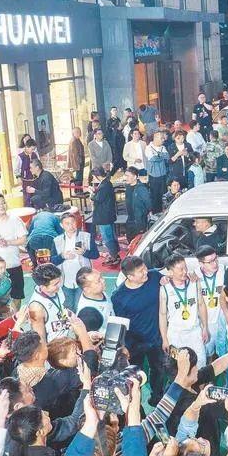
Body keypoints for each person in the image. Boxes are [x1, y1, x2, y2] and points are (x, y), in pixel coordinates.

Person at [111, 256, 169, 402]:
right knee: (135, 375)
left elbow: (171, 278)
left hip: (156, 338)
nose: (145, 272)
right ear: (130, 276)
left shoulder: (154, 276)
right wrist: (123, 347)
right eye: (141, 271)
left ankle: (157, 398)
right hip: (134, 343)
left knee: (159, 369)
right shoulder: (119, 297)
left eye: (145, 268)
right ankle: (135, 403)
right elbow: (121, 324)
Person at [90, 166, 119, 265]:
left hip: (103, 216)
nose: (93, 179)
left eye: (93, 176)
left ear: (97, 176)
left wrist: (92, 194)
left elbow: (98, 199)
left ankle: (113, 256)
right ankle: (115, 254)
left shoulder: (104, 186)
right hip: (108, 215)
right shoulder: (106, 183)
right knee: (111, 236)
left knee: (107, 237)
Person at [123, 167, 152, 239]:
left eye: (128, 176)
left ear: (135, 177)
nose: (125, 178)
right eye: (125, 175)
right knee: (130, 239)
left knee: (138, 241)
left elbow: (149, 204)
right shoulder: (128, 187)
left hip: (139, 222)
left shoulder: (141, 189)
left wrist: (142, 214)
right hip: (130, 220)